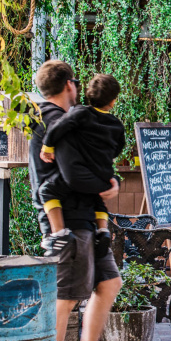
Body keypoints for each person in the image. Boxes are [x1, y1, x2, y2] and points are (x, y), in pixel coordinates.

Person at [28, 60, 123, 341]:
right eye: (76, 85)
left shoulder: (68, 121)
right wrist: (107, 184)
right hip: (66, 221)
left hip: (85, 218)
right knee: (65, 297)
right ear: (69, 84)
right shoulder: (54, 121)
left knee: (109, 282)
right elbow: (66, 177)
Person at [38, 74, 125, 259]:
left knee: (47, 190)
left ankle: (58, 233)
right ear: (113, 101)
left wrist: (48, 146)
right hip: (103, 176)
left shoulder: (81, 112)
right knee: (97, 199)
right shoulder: (117, 124)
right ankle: (103, 231)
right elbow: (118, 148)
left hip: (81, 175)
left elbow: (59, 126)